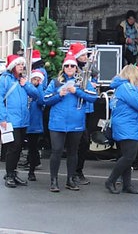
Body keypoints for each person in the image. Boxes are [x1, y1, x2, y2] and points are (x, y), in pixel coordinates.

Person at [43, 54, 98, 192]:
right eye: (67, 65)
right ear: (63, 67)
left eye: (72, 66)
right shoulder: (55, 82)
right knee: (56, 151)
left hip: (76, 122)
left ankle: (70, 179)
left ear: (76, 68)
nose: (69, 68)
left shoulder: (83, 82)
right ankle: (54, 181)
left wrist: (77, 91)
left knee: (73, 152)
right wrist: (58, 95)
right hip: (57, 123)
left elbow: (93, 97)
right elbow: (45, 99)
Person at [104, 65, 138, 194]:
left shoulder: (122, 87)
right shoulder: (127, 87)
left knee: (126, 156)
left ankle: (127, 185)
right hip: (128, 125)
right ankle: (111, 180)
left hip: (126, 124)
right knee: (129, 156)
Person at [0, 54, 41, 188]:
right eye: (19, 65)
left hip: (22, 120)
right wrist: (2, 118)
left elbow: (36, 95)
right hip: (10, 120)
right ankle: (9, 174)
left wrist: (27, 85)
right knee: (13, 147)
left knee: (18, 148)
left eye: (22, 65)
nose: (21, 67)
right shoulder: (3, 80)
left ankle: (12, 173)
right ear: (13, 66)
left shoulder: (23, 80)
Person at [68, 42, 99, 185]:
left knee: (85, 142)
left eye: (86, 54)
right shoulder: (72, 69)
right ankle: (74, 172)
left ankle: (78, 170)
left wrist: (92, 84)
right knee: (79, 141)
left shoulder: (89, 68)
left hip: (88, 108)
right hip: (77, 109)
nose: (86, 57)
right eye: (83, 55)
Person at [26, 69, 46, 182]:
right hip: (24, 122)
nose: (36, 81)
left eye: (38, 79)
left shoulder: (40, 90)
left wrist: (39, 87)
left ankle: (31, 171)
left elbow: (41, 101)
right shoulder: (26, 89)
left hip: (34, 125)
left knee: (33, 149)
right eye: (34, 79)